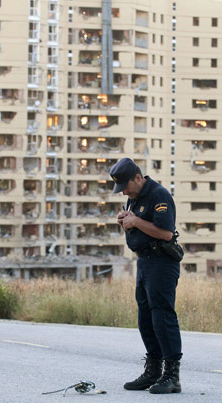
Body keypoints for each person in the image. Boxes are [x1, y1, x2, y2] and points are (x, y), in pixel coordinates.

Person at [109, 158, 182, 394]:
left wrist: (136, 221)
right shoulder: (135, 197)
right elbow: (139, 225)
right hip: (144, 261)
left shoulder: (159, 195)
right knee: (145, 317)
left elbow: (166, 233)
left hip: (161, 261)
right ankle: (153, 371)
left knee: (162, 315)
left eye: (125, 187)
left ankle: (172, 375)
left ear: (138, 178)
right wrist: (127, 223)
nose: (124, 194)